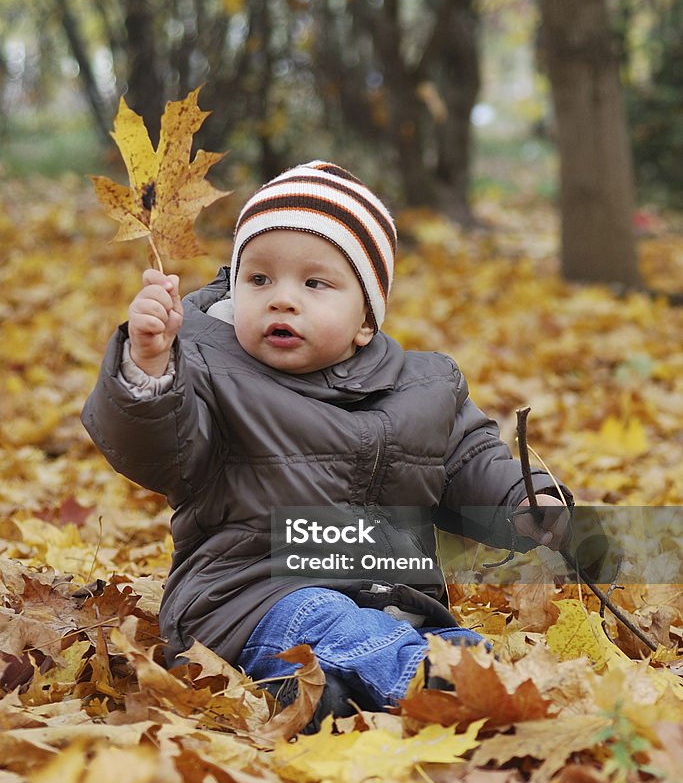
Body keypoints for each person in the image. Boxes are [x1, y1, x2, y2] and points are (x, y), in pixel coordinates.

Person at [82, 160, 571, 725]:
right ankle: (437, 686)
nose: (282, 299)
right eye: (259, 279)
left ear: (366, 318)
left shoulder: (426, 388)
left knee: (433, 637)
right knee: (328, 617)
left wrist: (527, 503)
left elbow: (472, 464)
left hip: (395, 601)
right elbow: (158, 450)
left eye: (314, 283)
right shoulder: (206, 370)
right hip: (248, 598)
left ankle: (326, 698)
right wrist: (148, 367)